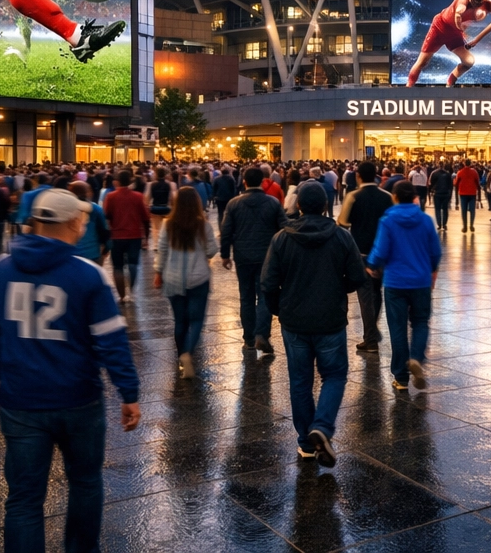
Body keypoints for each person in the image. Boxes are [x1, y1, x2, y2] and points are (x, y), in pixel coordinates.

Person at [0, 188, 141, 553]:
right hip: (77, 398)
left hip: (20, 399)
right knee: (84, 482)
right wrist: (129, 393)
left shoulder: (0, 268)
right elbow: (111, 341)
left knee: (24, 497)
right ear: (72, 223)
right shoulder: (88, 274)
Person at [260, 181, 367, 466]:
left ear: (298, 205)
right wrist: (337, 287)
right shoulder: (341, 237)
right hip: (330, 319)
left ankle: (306, 441)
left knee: (300, 381)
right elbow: (357, 278)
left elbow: (268, 283)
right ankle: (322, 425)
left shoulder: (282, 238)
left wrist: (279, 309)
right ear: (325, 205)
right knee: (334, 375)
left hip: (294, 320)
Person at [366, 180, 442, 390]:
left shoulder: (388, 221)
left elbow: (380, 251)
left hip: (395, 282)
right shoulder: (426, 220)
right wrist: (431, 268)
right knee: (420, 322)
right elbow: (435, 252)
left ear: (395, 197)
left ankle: (400, 377)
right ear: (415, 197)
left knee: (397, 327)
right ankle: (416, 358)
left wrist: (371, 265)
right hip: (420, 281)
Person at [220, 166, 287, 355]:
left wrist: (225, 254)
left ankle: (248, 338)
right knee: (264, 295)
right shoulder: (273, 203)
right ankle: (261, 334)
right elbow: (284, 228)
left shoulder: (234, 204)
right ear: (262, 181)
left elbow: (226, 231)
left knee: (246, 297)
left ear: (244, 181)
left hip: (243, 256)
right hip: (267, 256)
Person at [154, 185, 220, 378]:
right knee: (197, 319)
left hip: (173, 277)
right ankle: (188, 353)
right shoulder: (203, 225)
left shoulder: (168, 224)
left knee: (180, 321)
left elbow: (162, 250)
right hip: (199, 278)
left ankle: (181, 357)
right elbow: (211, 251)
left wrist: (158, 272)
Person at [405, 0, 491, 86]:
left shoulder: (488, 3)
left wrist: (476, 39)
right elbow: (458, 14)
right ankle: (408, 87)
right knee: (422, 62)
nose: (476, 2)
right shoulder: (462, 0)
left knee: (469, 62)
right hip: (439, 29)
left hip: (454, 35)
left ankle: (450, 82)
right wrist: (460, 26)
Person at [338, 162, 392, 353]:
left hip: (361, 252)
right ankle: (371, 334)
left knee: (365, 295)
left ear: (359, 176)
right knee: (376, 293)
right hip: (383, 252)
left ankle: (370, 339)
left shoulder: (353, 196)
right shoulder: (387, 197)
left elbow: (342, 223)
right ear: (376, 175)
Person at [102, 170, 150, 302]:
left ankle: (121, 295)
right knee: (133, 264)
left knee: (117, 266)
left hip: (116, 235)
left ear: (117, 181)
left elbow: (106, 216)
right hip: (134, 235)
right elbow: (145, 218)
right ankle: (132, 291)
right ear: (130, 181)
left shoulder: (111, 196)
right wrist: (146, 236)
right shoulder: (138, 196)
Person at [147, 166, 174, 252]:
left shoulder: (152, 184)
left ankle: (156, 245)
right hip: (166, 207)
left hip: (155, 208)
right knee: (167, 228)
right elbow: (172, 197)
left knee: (156, 228)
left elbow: (148, 197)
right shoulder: (168, 184)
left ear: (156, 174)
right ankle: (167, 243)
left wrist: (148, 205)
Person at [455, 161, 481, 233]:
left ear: (464, 164)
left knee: (464, 211)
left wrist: (456, 199)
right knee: (472, 211)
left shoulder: (460, 172)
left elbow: (456, 184)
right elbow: (478, 184)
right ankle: (471, 225)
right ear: (470, 164)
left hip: (463, 194)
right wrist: (479, 197)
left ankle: (465, 226)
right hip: (472, 193)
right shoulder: (474, 172)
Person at [429, 161, 453, 232]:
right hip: (445, 193)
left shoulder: (434, 173)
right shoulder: (447, 174)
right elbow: (450, 185)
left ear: (438, 165)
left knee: (437, 209)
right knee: (445, 209)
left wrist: (430, 192)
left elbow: (431, 184)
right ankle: (444, 224)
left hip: (437, 193)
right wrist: (450, 194)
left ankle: (439, 224)